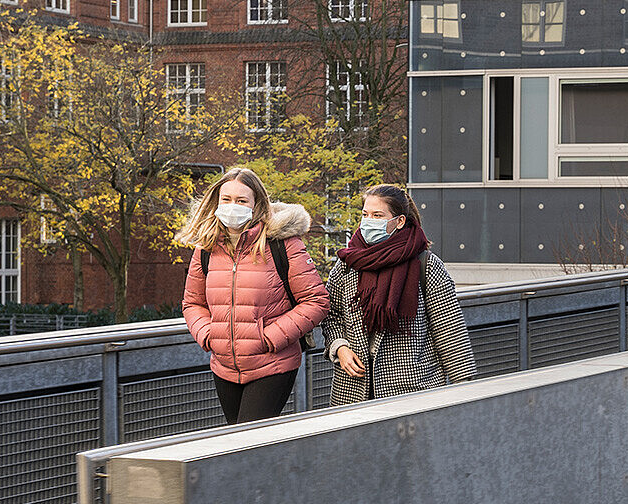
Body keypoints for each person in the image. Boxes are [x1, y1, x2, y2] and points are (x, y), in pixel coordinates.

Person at [177, 167, 330, 424]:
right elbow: (192, 302)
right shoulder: (206, 247)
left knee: (248, 441)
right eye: (226, 200)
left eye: (241, 201)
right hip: (225, 365)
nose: (232, 206)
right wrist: (208, 335)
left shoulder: (282, 243)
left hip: (272, 363)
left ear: (256, 204)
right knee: (238, 445)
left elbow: (316, 301)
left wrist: (269, 338)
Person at [321, 184, 476, 406]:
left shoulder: (426, 265)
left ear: (400, 221)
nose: (368, 221)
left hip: (412, 390)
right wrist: (339, 347)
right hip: (353, 391)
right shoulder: (348, 263)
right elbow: (331, 315)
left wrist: (467, 391)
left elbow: (450, 331)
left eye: (377, 215)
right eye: (365, 214)